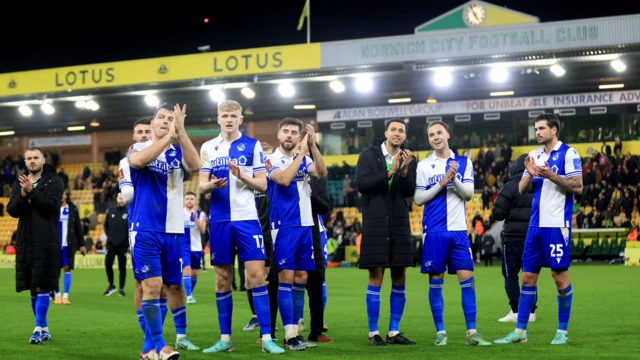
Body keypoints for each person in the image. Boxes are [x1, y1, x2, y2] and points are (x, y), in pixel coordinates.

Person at [199, 100, 284, 354]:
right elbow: (201, 185)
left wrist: (241, 177)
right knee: (222, 278)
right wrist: (212, 185)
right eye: (224, 115)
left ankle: (267, 337)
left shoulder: (253, 145)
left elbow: (264, 185)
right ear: (217, 119)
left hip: (248, 219)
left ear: (240, 119)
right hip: (220, 220)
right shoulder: (208, 147)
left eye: (233, 116)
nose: (228, 119)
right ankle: (225, 339)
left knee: (256, 277)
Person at [495, 113, 583, 345]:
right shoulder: (533, 155)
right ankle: (520, 332)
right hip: (534, 227)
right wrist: (529, 175)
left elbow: (578, 186)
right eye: (536, 129)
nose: (538, 132)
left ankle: (562, 332)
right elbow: (523, 189)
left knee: (559, 277)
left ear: (554, 130)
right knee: (527, 278)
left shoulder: (568, 153)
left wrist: (551, 175)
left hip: (556, 225)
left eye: (542, 128)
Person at [127, 103, 200, 359]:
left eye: (171, 118)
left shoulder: (177, 152)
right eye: (162, 117)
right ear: (154, 122)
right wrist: (169, 136)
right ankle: (161, 345)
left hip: (173, 230)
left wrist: (181, 132)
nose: (166, 121)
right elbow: (137, 161)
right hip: (145, 227)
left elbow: (195, 165)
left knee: (168, 288)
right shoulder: (140, 146)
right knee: (151, 285)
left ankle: (148, 349)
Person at [414, 120, 491, 347]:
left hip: (458, 231)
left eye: (439, 132)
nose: (435, 137)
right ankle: (441, 332)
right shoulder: (424, 166)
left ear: (447, 134)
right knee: (435, 282)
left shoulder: (464, 162)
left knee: (468, 282)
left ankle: (472, 332)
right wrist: (442, 183)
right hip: (434, 231)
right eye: (431, 134)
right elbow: (418, 199)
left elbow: (468, 194)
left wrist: (453, 176)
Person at [265, 118, 327, 350]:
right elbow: (283, 179)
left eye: (294, 132)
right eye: (286, 132)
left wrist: (312, 147)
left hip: (305, 225)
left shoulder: (306, 156)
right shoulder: (270, 159)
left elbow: (321, 171)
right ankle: (289, 335)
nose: (290, 135)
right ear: (279, 135)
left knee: (301, 276)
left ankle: (296, 332)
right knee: (286, 278)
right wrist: (301, 154)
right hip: (284, 226)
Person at [354, 118, 417, 346]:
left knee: (400, 276)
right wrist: (390, 172)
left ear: (405, 135)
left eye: (401, 130)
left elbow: (409, 191)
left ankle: (393, 331)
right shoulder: (368, 156)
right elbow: (361, 184)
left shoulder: (409, 157)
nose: (397, 133)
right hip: (375, 222)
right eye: (394, 129)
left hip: (400, 222)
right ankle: (373, 333)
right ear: (386, 132)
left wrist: (405, 169)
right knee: (375, 276)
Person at [7, 147, 64, 344]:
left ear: (43, 160)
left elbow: (51, 207)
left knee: (42, 284)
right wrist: (23, 195)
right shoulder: (19, 183)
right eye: (29, 158)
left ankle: (38, 328)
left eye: (35, 158)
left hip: (46, 240)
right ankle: (44, 327)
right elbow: (12, 211)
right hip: (25, 241)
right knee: (32, 286)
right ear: (25, 162)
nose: (32, 161)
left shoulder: (55, 181)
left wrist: (33, 192)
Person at [117, 117, 156, 355]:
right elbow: (127, 195)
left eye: (146, 131)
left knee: (163, 286)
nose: (143, 135)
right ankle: (148, 337)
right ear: (134, 136)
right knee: (142, 284)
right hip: (141, 226)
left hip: (166, 228)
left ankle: (160, 338)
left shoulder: (167, 158)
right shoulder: (128, 161)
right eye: (139, 132)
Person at [491, 154, 538, 323]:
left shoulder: (510, 186)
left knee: (511, 274)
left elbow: (497, 213)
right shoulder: (539, 184)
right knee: (530, 273)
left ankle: (516, 311)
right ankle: (531, 311)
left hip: (512, 238)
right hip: (533, 237)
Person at [53, 189, 86, 304]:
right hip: (55, 245)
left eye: (63, 193)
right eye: (59, 193)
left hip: (68, 245)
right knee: (55, 270)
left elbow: (78, 228)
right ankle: (57, 294)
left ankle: (65, 295)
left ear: (66, 195)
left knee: (67, 268)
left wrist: (82, 245)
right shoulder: (52, 208)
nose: (61, 195)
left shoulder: (73, 209)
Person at [182, 191, 207, 304]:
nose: (189, 201)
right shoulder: (179, 214)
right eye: (187, 198)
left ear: (195, 201)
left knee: (195, 273)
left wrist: (196, 218)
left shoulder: (201, 214)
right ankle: (189, 296)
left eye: (192, 199)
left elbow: (202, 230)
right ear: (184, 200)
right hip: (184, 247)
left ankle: (188, 293)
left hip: (196, 247)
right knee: (186, 269)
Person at [103, 192, 129, 297]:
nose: (121, 200)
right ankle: (111, 285)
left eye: (123, 198)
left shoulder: (129, 212)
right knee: (108, 263)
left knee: (122, 267)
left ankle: (121, 288)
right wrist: (110, 237)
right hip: (111, 244)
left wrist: (128, 243)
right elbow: (106, 226)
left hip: (123, 245)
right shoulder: (110, 210)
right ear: (117, 199)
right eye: (119, 198)